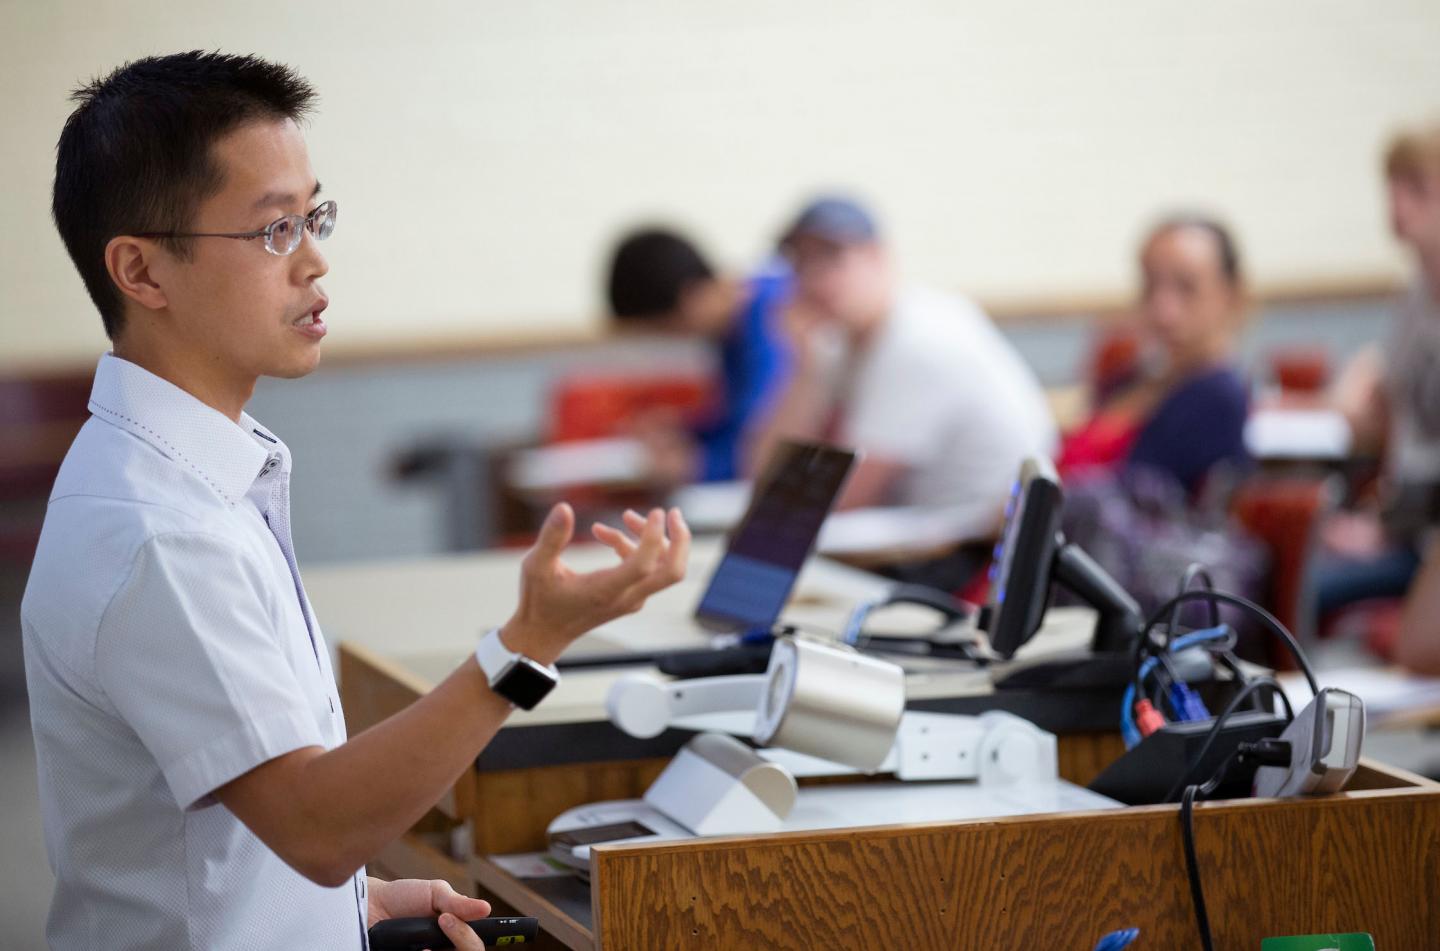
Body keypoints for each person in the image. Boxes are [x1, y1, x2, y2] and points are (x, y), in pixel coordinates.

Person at [23, 52, 689, 951]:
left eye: (314, 216)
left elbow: (234, 827)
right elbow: (315, 824)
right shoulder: (157, 530)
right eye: (272, 231)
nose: (314, 259)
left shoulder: (201, 469)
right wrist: (529, 644)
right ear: (141, 272)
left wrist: (359, 905)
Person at [747, 196, 1055, 542]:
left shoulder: (918, 338)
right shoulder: (836, 340)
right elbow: (767, 478)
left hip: (972, 542)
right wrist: (800, 366)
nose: (813, 277)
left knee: (780, 540)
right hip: (916, 523)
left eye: (831, 257)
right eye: (800, 262)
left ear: (878, 257)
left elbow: (841, 499)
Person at [1313, 122, 1440, 620]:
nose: (1397, 206)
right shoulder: (1412, 300)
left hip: (1422, 538)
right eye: (1392, 188)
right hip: (1404, 520)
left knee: (1308, 586)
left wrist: (1387, 529)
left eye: (1418, 189)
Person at [1057, 215, 1252, 496]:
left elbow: (1131, 501)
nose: (1163, 311)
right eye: (1151, 285)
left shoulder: (1215, 397)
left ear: (1231, 295)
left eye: (1187, 288)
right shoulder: (1138, 376)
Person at [605, 227, 792, 483]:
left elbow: (767, 445)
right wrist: (684, 428)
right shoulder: (732, 328)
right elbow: (735, 421)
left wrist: (694, 466)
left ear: (690, 297)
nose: (669, 339)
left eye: (665, 327)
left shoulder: (774, 316)